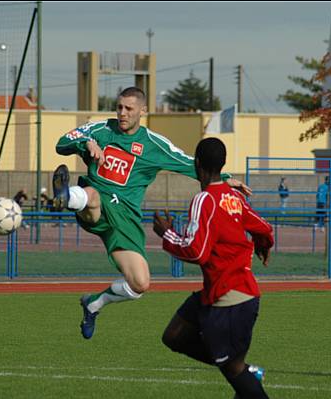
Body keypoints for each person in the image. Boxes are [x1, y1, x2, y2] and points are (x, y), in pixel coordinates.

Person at [52, 86, 251, 340]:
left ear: (143, 111)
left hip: (125, 220)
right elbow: (62, 143)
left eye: (129, 109)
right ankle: (66, 196)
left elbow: (188, 163)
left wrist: (225, 179)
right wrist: (86, 142)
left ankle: (93, 304)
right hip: (97, 203)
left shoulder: (154, 144)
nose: (122, 113)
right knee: (92, 197)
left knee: (140, 283)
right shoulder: (99, 130)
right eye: (119, 107)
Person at [153, 137, 273, 399]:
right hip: (217, 292)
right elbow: (263, 227)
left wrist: (167, 234)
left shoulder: (204, 199)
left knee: (234, 371)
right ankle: (242, 368)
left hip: (231, 299)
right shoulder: (235, 198)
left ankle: (244, 371)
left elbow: (197, 251)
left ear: (197, 164)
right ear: (222, 164)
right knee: (173, 336)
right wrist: (264, 244)